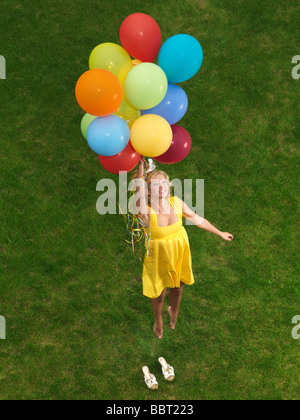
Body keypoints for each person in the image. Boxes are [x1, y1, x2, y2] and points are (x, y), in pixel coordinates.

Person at [133, 156, 233, 339]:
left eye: (164, 182)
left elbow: (198, 220)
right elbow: (136, 190)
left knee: (178, 288)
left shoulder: (176, 202)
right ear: (148, 191)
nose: (161, 186)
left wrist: (220, 233)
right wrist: (141, 168)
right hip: (159, 256)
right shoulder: (145, 211)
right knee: (159, 295)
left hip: (179, 252)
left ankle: (174, 311)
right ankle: (158, 321)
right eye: (155, 185)